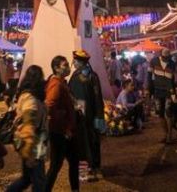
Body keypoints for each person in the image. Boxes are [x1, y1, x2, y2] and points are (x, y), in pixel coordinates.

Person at [7, 65, 48, 192]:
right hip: (34, 143)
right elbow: (29, 125)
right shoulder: (31, 100)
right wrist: (29, 152)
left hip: (32, 142)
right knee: (39, 180)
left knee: (27, 178)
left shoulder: (26, 95)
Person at [68, 49, 105, 181]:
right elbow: (98, 98)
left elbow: (72, 98)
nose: (74, 63)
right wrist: (100, 116)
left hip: (81, 117)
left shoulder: (76, 77)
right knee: (94, 142)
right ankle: (96, 168)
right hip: (92, 116)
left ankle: (84, 173)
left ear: (78, 62)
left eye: (75, 61)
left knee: (81, 146)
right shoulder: (93, 76)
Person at [45, 55, 79, 192]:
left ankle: (75, 189)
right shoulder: (56, 84)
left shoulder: (61, 82)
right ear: (56, 68)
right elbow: (49, 106)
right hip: (61, 133)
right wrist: (64, 126)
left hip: (65, 131)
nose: (68, 67)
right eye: (64, 65)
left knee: (72, 162)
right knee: (55, 166)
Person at [149, 48, 177, 144]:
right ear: (161, 55)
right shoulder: (154, 61)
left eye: (168, 56)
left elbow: (174, 79)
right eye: (165, 56)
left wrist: (175, 92)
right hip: (158, 90)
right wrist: (150, 90)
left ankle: (169, 135)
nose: (167, 58)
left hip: (169, 91)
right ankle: (166, 134)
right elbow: (149, 76)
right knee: (160, 114)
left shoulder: (172, 64)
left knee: (168, 113)